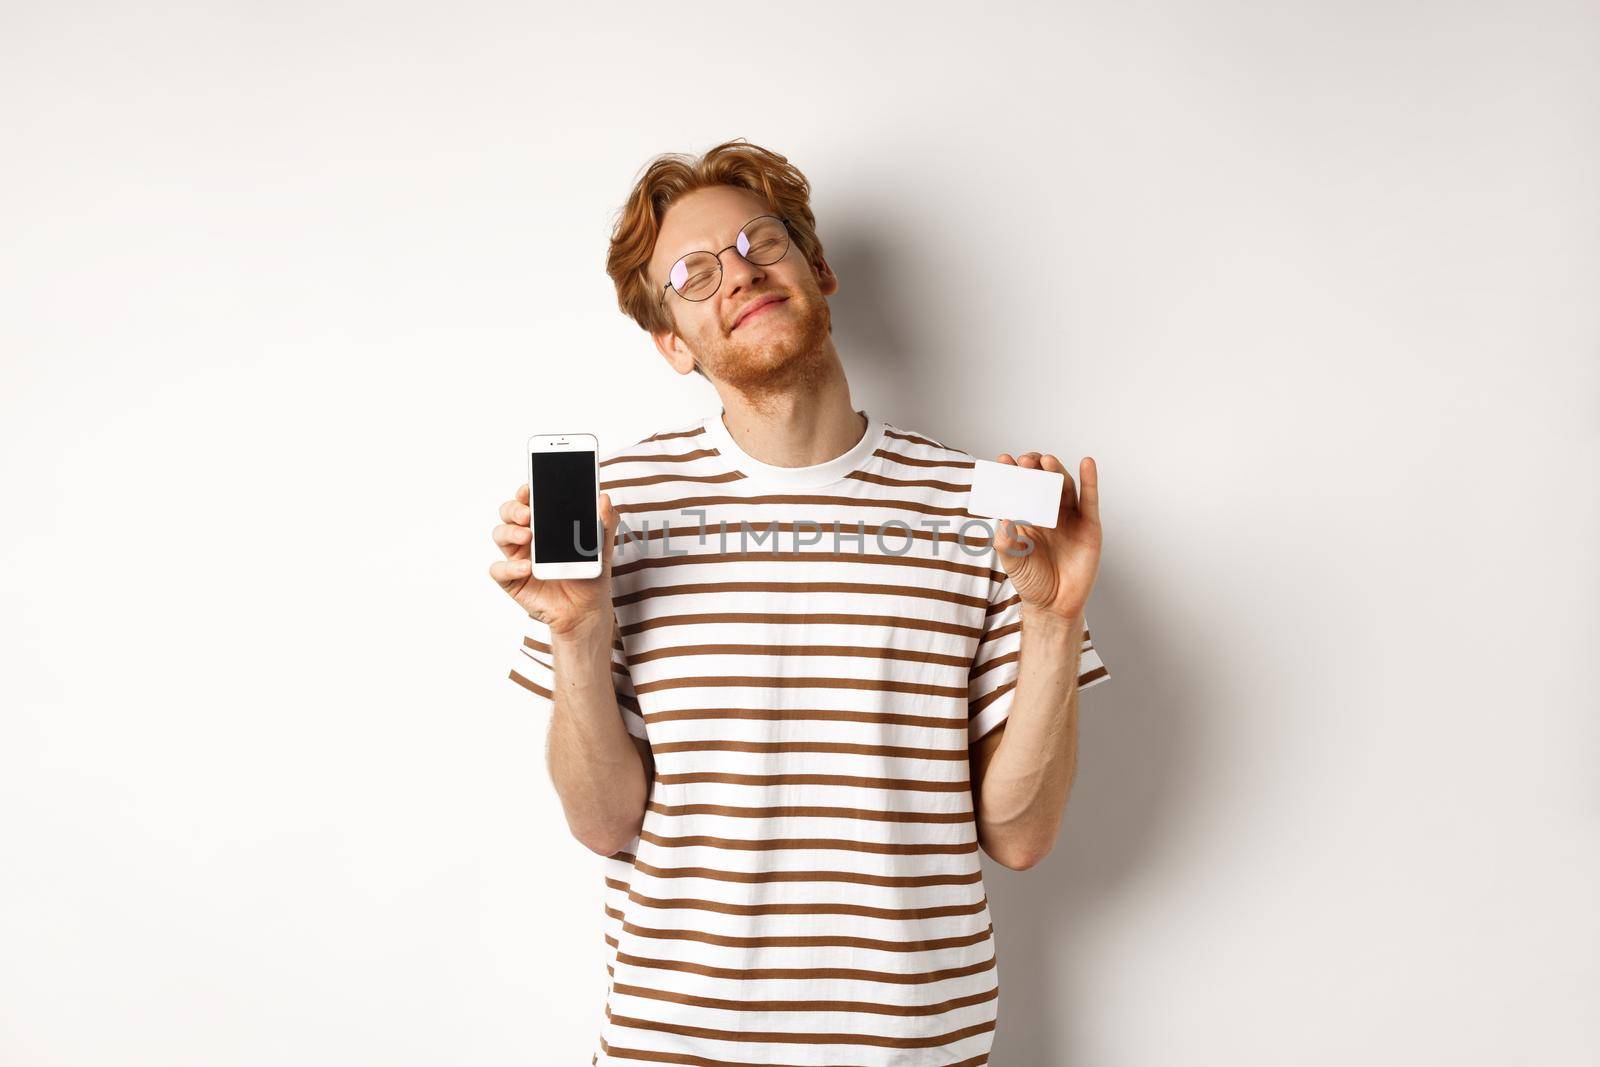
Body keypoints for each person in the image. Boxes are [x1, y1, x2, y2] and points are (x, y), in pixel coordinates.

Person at [489, 138, 1110, 1066]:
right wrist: (579, 632)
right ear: (670, 341)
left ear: (814, 265)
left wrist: (1053, 623)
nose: (736, 273)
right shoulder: (617, 511)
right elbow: (603, 822)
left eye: (759, 241)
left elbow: (1019, 837)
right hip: (676, 1047)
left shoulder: (983, 508)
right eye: (693, 275)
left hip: (914, 1050)